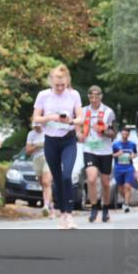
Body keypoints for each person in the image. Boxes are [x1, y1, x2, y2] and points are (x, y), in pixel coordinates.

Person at [32, 65, 84, 230]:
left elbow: (81, 118)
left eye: (63, 85)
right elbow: (36, 118)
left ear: (67, 81)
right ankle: (62, 214)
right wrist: (52, 117)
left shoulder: (74, 95)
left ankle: (69, 214)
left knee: (67, 176)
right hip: (51, 141)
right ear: (51, 82)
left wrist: (70, 121)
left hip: (68, 140)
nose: (60, 88)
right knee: (57, 180)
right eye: (57, 86)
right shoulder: (43, 95)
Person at [80, 85, 117, 223]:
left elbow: (114, 133)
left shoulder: (109, 112)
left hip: (105, 151)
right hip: (89, 149)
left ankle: (105, 209)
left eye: (97, 96)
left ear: (101, 96)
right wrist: (79, 134)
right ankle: (94, 207)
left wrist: (103, 131)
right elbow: (77, 126)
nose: (94, 99)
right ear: (88, 97)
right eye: (91, 96)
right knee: (91, 179)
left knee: (106, 182)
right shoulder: (83, 111)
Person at [25, 121, 54, 217]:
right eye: (35, 126)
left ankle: (45, 206)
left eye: (38, 126)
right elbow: (28, 151)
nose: (37, 128)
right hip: (37, 160)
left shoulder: (48, 131)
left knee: (46, 182)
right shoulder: (31, 134)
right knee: (43, 184)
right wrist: (36, 146)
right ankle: (51, 206)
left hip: (48, 158)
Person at [112, 129, 138, 214]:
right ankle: (126, 200)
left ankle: (126, 204)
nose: (125, 136)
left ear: (128, 135)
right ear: (121, 134)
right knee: (120, 189)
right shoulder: (116, 145)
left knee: (127, 186)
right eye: (123, 134)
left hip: (129, 168)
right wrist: (117, 154)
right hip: (118, 168)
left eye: (126, 134)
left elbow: (135, 153)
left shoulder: (132, 144)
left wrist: (132, 156)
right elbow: (111, 155)